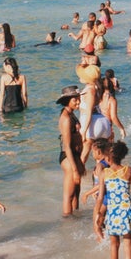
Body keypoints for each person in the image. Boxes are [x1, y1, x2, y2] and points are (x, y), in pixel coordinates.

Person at [101, 140, 131, 259]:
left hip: (113, 213)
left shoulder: (105, 173)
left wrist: (99, 214)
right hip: (126, 212)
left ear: (110, 157)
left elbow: (100, 196)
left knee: (114, 244)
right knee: (128, 247)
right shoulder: (128, 170)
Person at [56, 87, 85, 217]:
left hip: (75, 156)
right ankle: (68, 222)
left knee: (76, 192)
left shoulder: (71, 113)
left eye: (78, 99)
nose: (78, 102)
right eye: (75, 100)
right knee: (69, 194)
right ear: (67, 100)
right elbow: (67, 146)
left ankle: (76, 219)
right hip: (68, 157)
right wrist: (74, 169)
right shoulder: (66, 118)